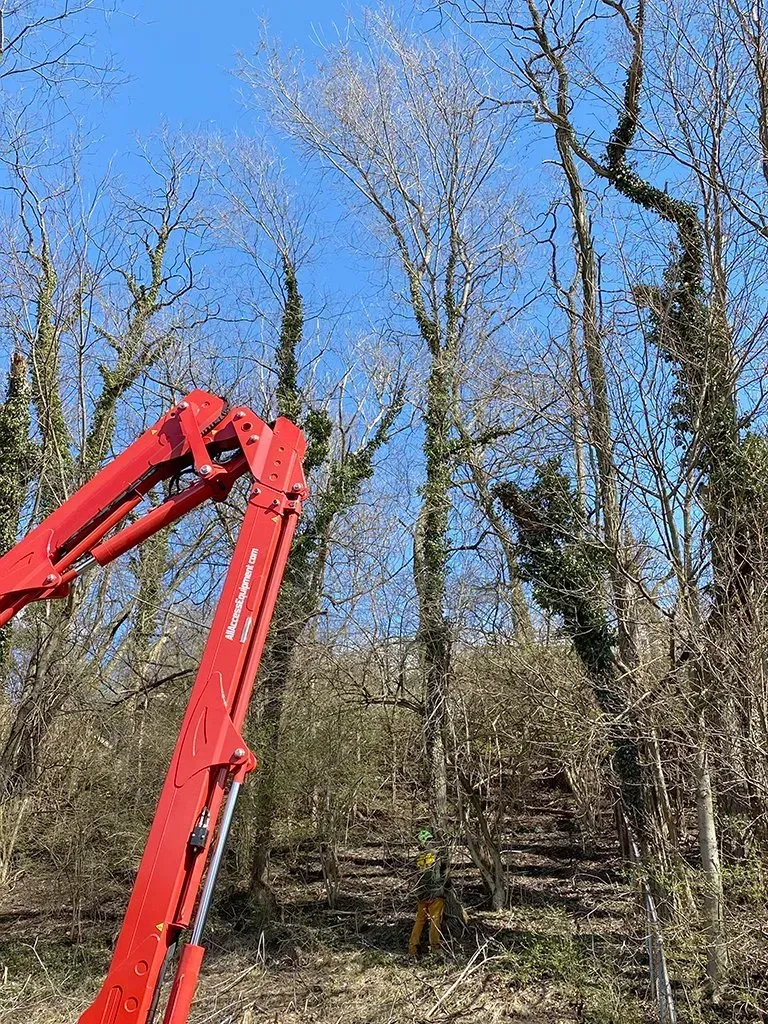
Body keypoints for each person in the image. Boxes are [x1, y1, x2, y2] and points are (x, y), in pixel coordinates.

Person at [408, 828, 446, 955]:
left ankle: (412, 948)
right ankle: (435, 947)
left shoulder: (417, 858)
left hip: (421, 894)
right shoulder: (437, 854)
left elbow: (415, 878)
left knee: (419, 921)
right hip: (436, 893)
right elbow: (443, 873)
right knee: (435, 919)